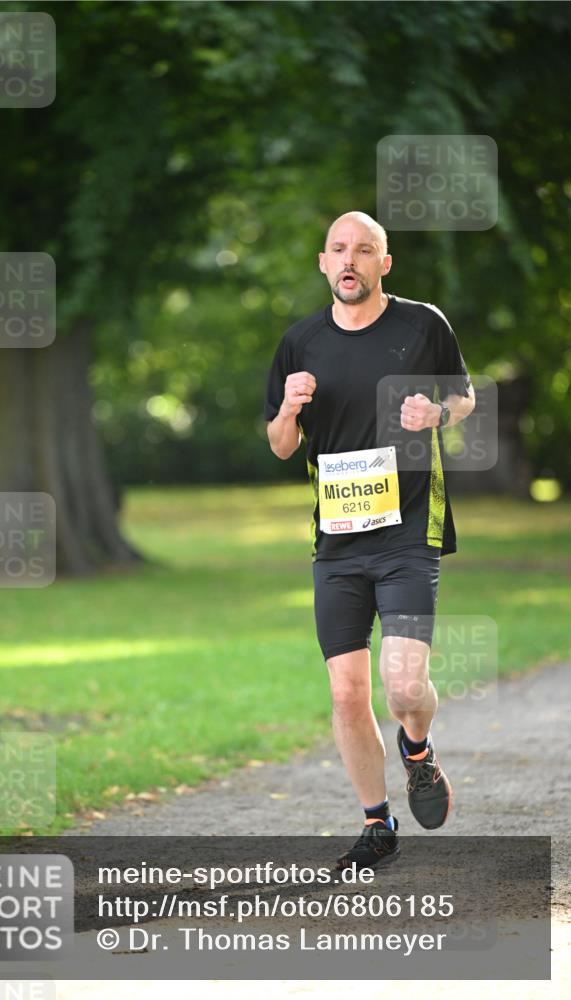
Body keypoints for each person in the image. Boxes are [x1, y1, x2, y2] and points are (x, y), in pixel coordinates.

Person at [264, 211, 475, 869]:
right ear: (324, 263)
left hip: (409, 534)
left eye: (363, 249)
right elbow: (280, 446)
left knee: (404, 687)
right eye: (338, 249)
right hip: (337, 544)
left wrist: (436, 412)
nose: (349, 259)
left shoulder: (422, 325)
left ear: (384, 263)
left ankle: (418, 750)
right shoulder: (299, 343)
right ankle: (377, 824)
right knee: (346, 693)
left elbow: (464, 397)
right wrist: (288, 409)